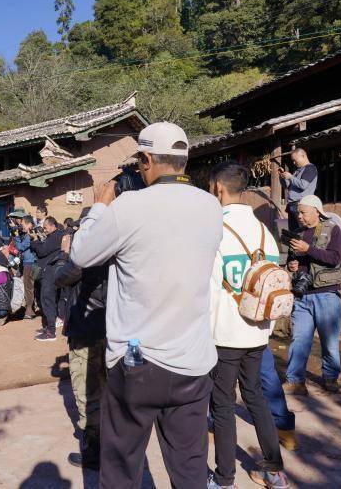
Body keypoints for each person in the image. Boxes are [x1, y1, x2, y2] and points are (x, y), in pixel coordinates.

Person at [69, 122, 223, 489]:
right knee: (189, 467)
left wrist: (100, 208)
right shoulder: (211, 207)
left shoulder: (128, 207)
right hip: (193, 363)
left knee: (122, 466)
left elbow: (81, 254)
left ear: (146, 159)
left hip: (138, 363)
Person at [206, 161, 291, 489]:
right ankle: (274, 470)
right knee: (255, 396)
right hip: (258, 330)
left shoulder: (217, 230)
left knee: (223, 403)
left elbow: (212, 290)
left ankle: (225, 478)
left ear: (218, 188)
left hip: (225, 333)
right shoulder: (264, 232)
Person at [284, 195, 341, 395]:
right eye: (298, 212)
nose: (299, 216)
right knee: (299, 339)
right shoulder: (298, 234)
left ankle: (330, 377)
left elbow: (335, 259)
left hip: (326, 294)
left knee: (329, 341)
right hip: (302, 295)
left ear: (317, 211)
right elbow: (296, 262)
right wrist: (292, 265)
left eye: (303, 212)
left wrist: (308, 249)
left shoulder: (333, 230)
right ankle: (295, 380)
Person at [55, 254, 108, 471]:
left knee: (87, 391)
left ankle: (95, 452)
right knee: (109, 389)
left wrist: (65, 256)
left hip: (87, 327)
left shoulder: (91, 245)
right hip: (114, 325)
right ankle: (112, 444)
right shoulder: (125, 239)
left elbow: (62, 276)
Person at [31, 216, 65, 341]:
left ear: (52, 225)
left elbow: (42, 251)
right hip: (51, 271)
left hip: (51, 272)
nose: (44, 230)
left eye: (45, 228)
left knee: (47, 299)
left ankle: (51, 332)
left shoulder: (56, 236)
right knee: (48, 300)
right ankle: (48, 327)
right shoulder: (54, 236)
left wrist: (35, 241)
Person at [280, 148, 318, 231]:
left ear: (303, 156)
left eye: (295, 160)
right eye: (292, 161)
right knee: (294, 231)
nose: (294, 163)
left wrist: (290, 177)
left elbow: (303, 185)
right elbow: (287, 186)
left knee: (303, 231)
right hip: (292, 204)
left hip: (301, 204)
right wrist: (282, 177)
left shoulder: (310, 168)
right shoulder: (298, 171)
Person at [13, 215, 38, 320]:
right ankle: (30, 308)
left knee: (28, 287)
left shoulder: (30, 235)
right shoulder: (30, 233)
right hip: (30, 262)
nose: (21, 226)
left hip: (29, 263)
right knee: (30, 287)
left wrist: (16, 236)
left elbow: (21, 247)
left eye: (22, 224)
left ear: (28, 224)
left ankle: (29, 310)